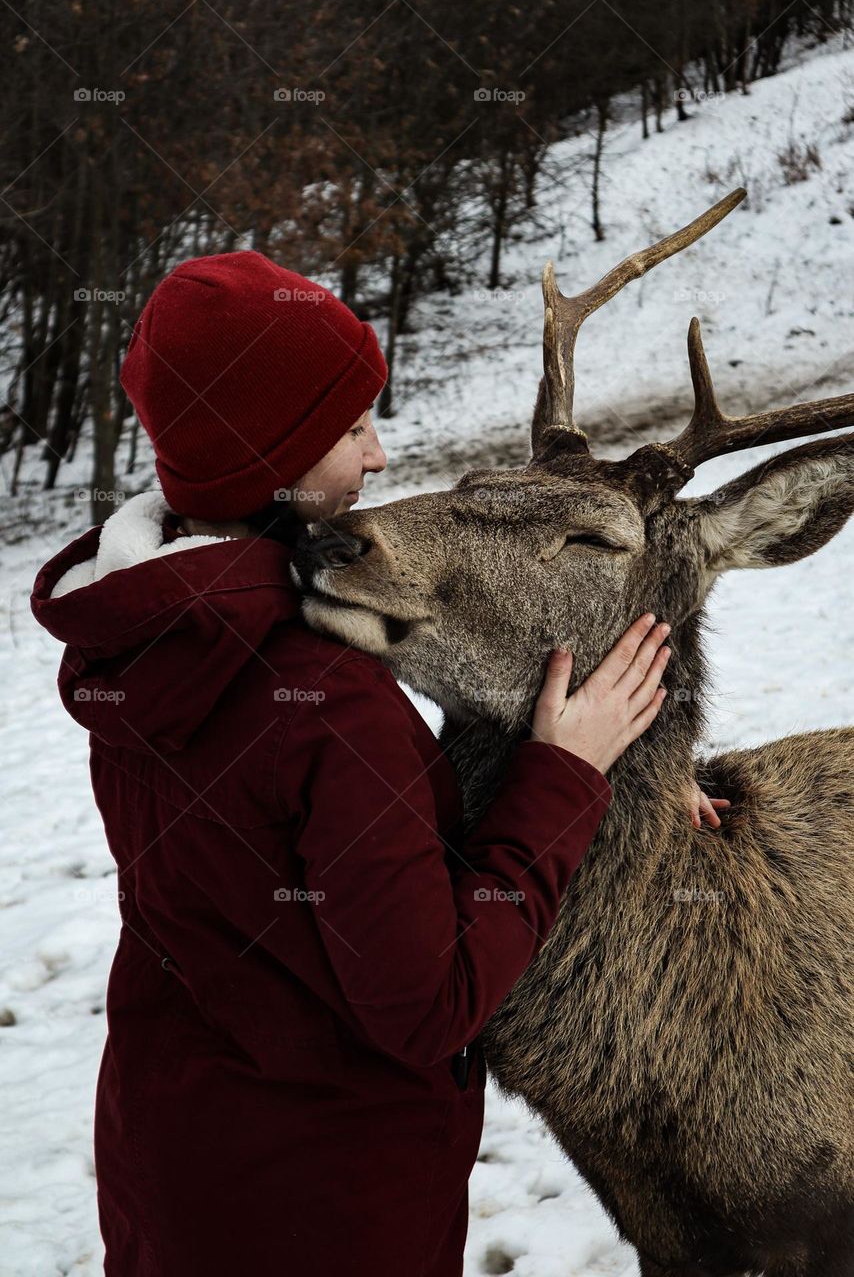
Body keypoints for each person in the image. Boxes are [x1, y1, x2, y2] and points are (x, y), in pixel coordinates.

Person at [30, 251, 728, 1277]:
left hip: (171, 1154)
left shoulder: (144, 634)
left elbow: (305, 870)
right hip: (333, 1205)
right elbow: (427, 998)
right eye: (351, 426)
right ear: (267, 452)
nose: (382, 454)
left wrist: (631, 779)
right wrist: (567, 776)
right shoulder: (322, 699)